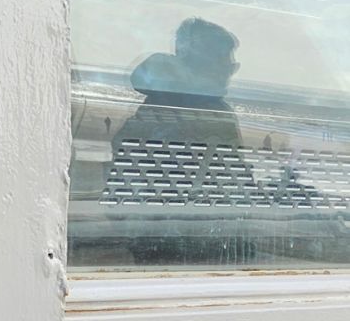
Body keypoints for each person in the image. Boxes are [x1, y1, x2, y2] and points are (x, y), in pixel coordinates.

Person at [106, 18, 252, 265]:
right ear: (205, 64)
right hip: (183, 237)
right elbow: (231, 177)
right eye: (227, 64)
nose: (230, 72)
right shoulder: (205, 112)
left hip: (157, 234)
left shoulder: (160, 103)